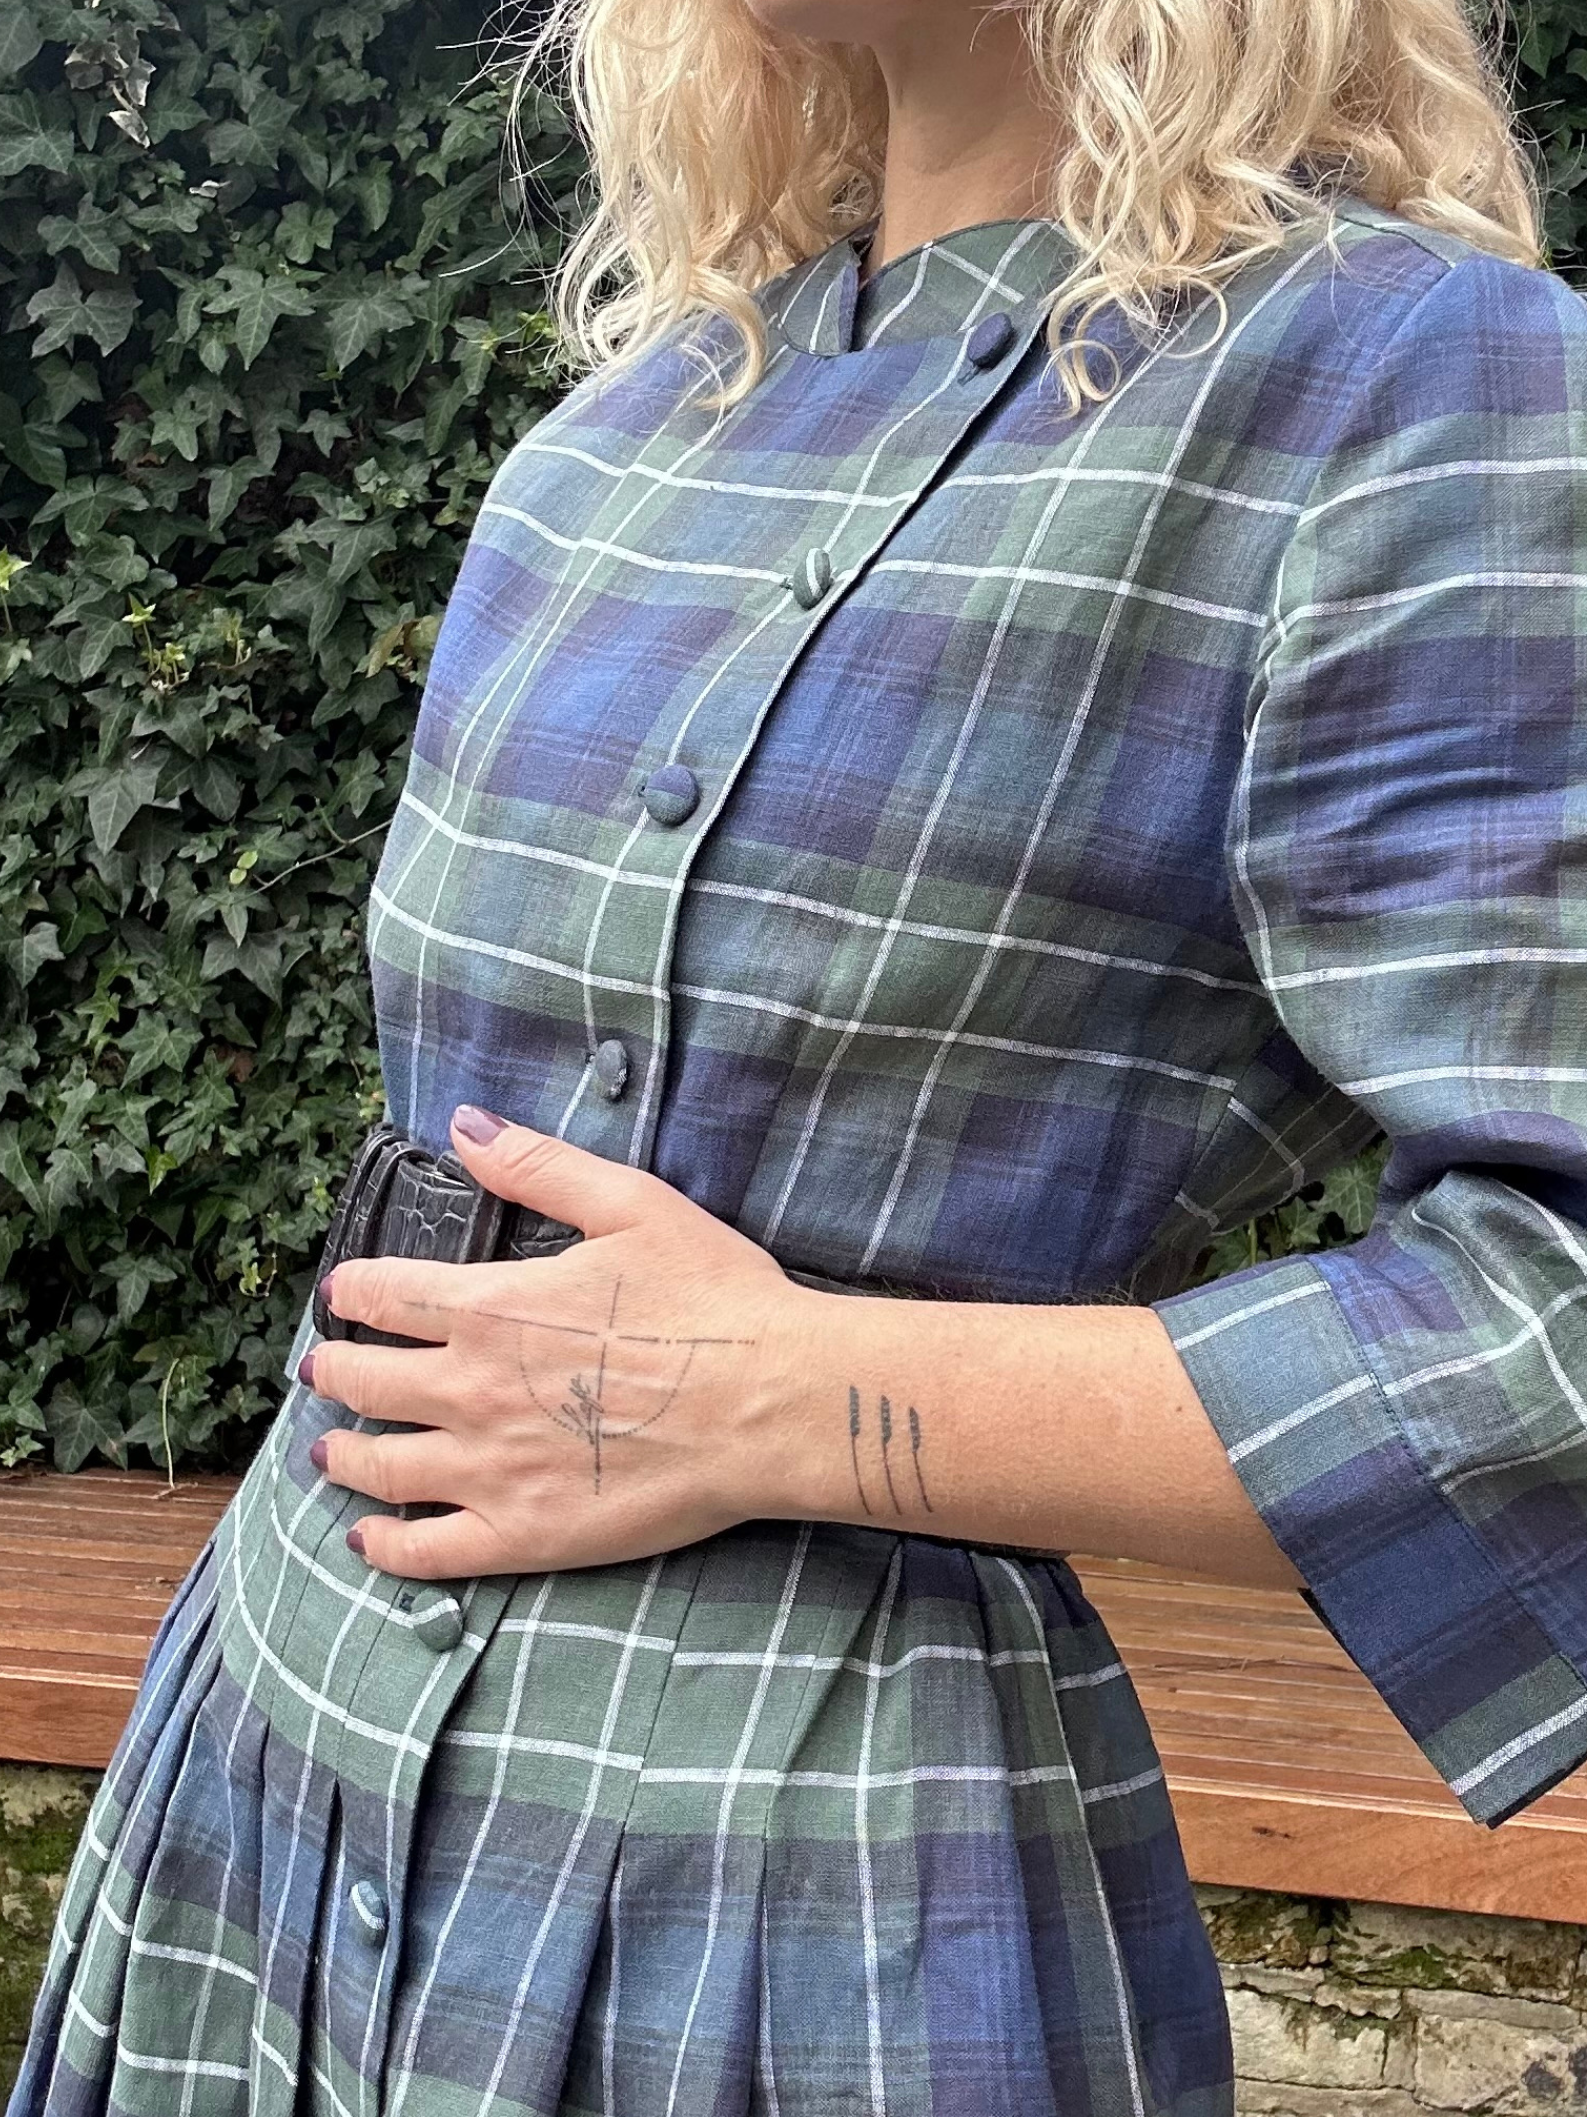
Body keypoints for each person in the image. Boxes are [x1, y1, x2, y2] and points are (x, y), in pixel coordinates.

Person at [13, 0, 1587, 2110]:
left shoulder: (1412, 384)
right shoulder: (655, 402)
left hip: (776, 1887)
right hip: (267, 1747)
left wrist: (790, 1396)